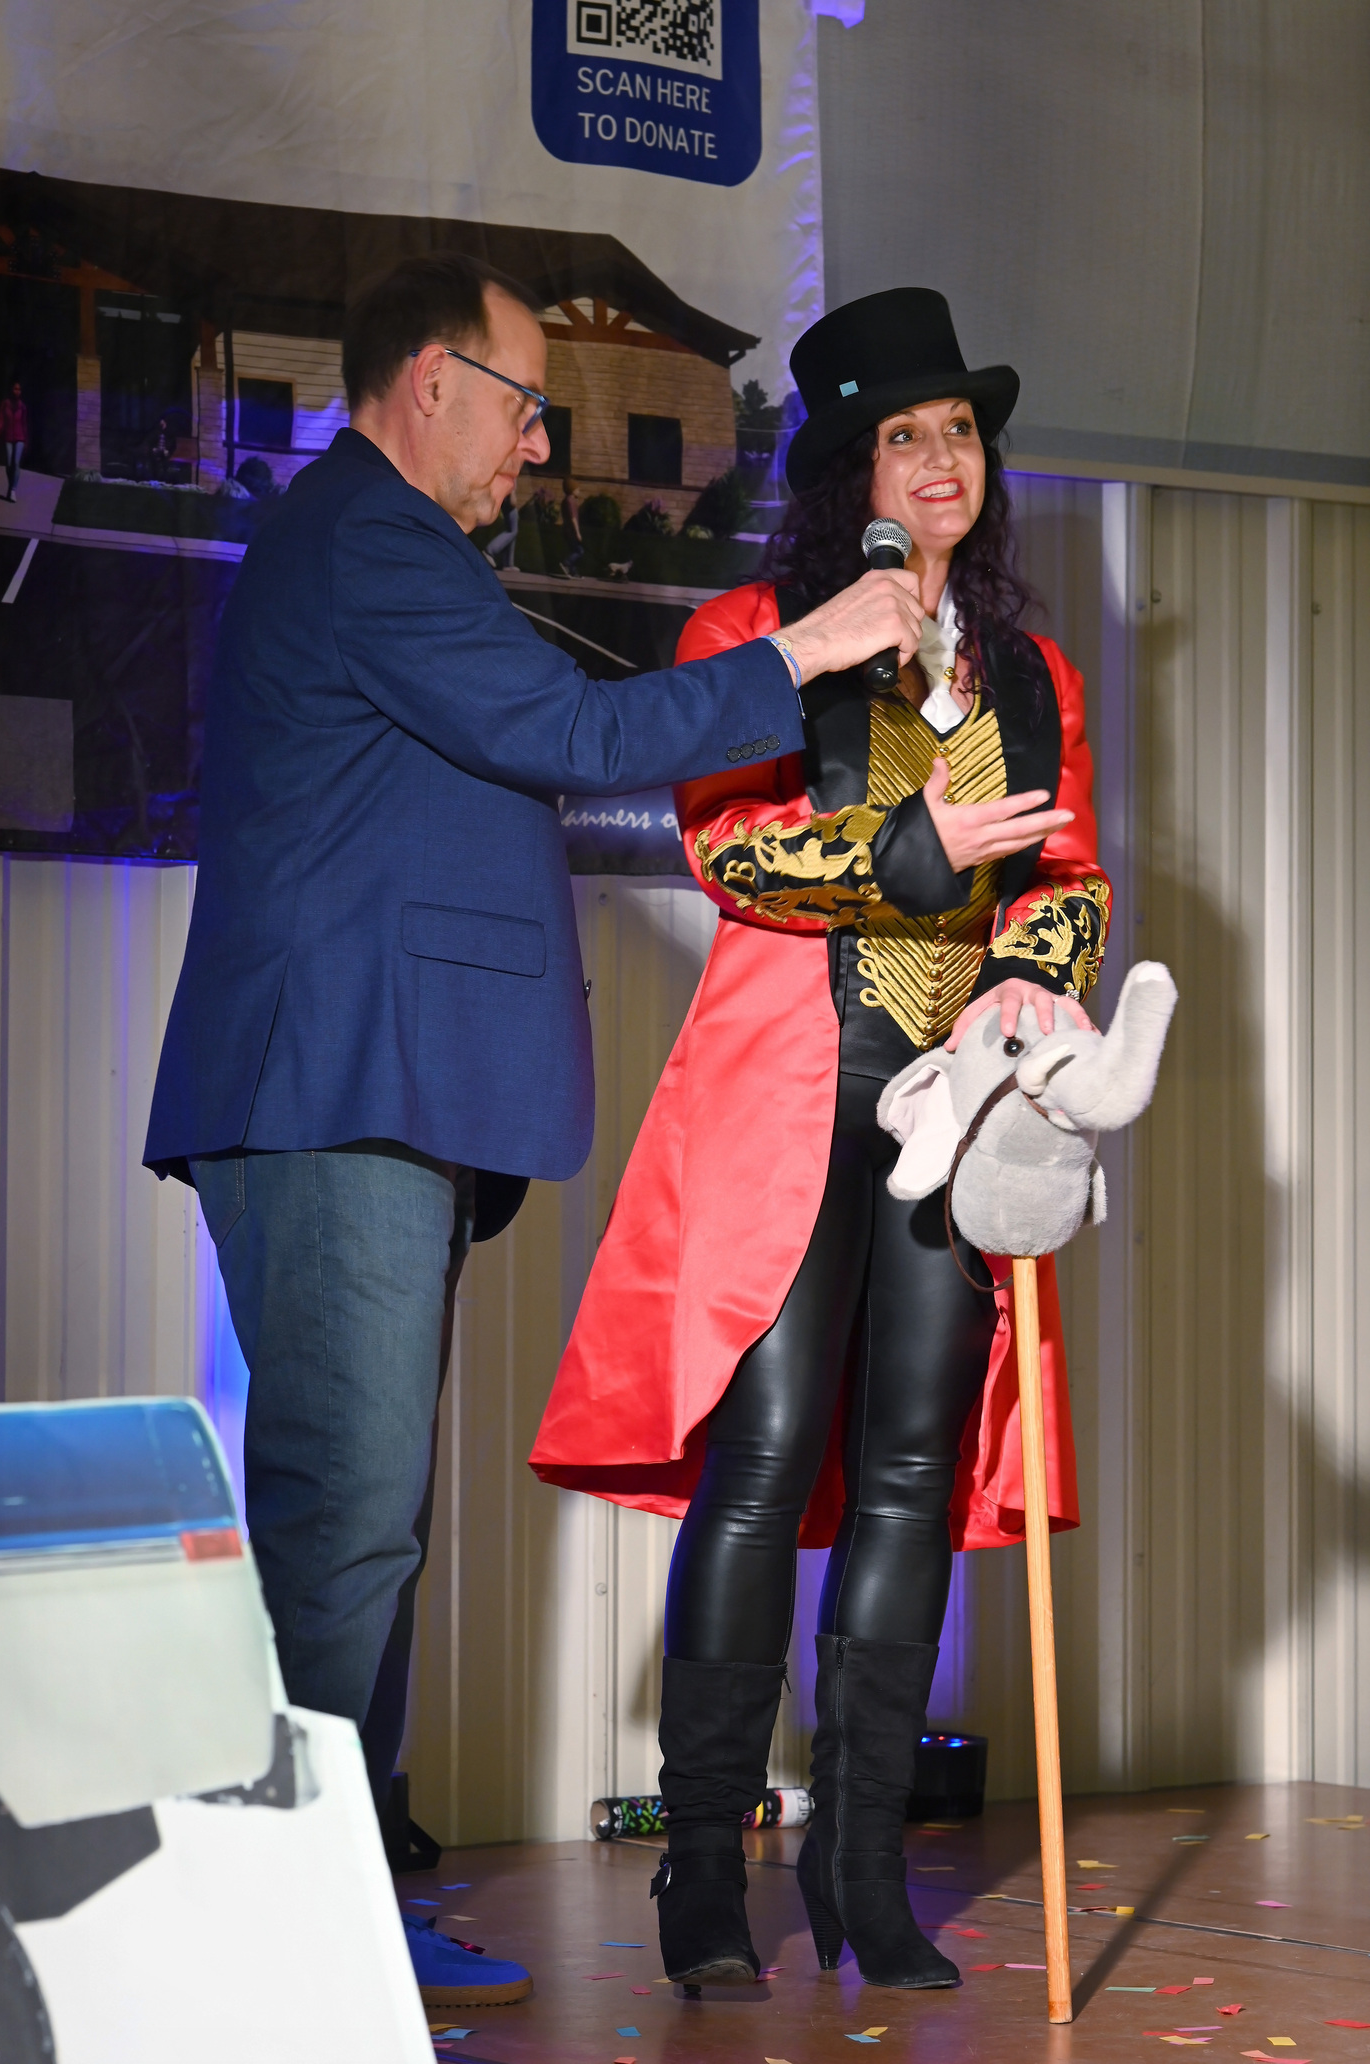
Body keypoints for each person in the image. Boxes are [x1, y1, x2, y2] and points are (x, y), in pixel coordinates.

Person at [142, 253, 927, 2010]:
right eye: (523, 404)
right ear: (430, 381)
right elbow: (565, 726)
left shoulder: (380, 546)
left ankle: (339, 1893)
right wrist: (805, 649)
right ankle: (290, 1931)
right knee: (345, 1523)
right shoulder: (366, 540)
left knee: (362, 1524)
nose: (539, 443)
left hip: (369, 1093)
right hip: (331, 1088)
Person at [531, 288, 1111, 1990]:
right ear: (848, 465)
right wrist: (907, 853)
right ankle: (704, 1866)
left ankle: (864, 1869)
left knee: (915, 1467)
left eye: (960, 430)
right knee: (768, 1451)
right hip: (796, 1087)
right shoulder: (753, 628)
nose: (940, 459)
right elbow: (727, 850)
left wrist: (1030, 982)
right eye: (902, 433)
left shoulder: (1033, 670)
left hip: (956, 1107)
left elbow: (1068, 878)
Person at [0, 380, 28, 501]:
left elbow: (24, 424)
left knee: (16, 462)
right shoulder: (5, 404)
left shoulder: (22, 406)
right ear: (11, 390)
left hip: (20, 437)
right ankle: (10, 486)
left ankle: (13, 489)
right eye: (15, 389)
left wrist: (26, 440)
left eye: (19, 389)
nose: (17, 391)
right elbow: (1, 419)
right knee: (9, 463)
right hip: (8, 437)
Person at [484, 489, 519, 567]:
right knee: (512, 531)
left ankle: (508, 563)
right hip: (508, 501)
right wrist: (512, 495)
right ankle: (490, 551)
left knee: (512, 530)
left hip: (505, 501)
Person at [558, 476, 584, 577]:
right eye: (577, 489)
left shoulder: (566, 501)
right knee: (579, 551)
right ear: (572, 489)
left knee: (574, 550)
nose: (579, 491)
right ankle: (566, 563)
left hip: (567, 530)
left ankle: (573, 572)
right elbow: (573, 519)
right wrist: (577, 533)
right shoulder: (570, 501)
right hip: (571, 531)